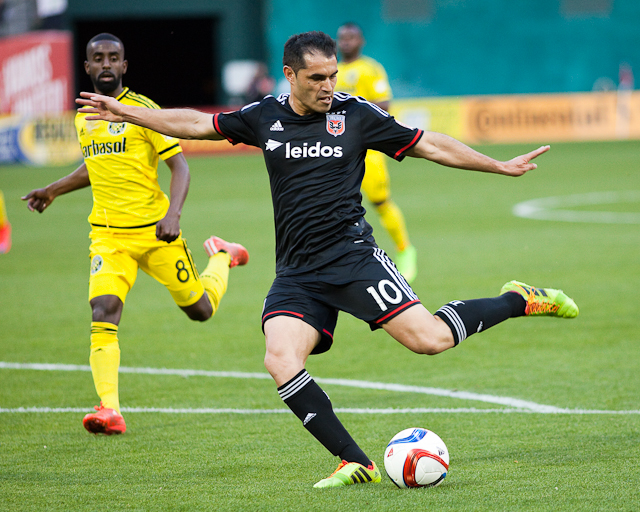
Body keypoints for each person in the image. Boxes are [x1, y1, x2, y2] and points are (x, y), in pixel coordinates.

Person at [76, 31, 579, 487]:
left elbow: (429, 145)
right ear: (290, 75)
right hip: (297, 272)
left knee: (430, 340)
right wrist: (128, 112)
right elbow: (193, 123)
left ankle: (518, 299)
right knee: (279, 359)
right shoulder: (264, 116)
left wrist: (497, 165)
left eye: (333, 75)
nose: (328, 86)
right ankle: (354, 461)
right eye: (317, 78)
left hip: (353, 258)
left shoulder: (356, 115)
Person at [22, 33, 249, 436]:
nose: (106, 64)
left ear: (124, 66)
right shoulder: (83, 117)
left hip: (156, 234)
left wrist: (173, 214)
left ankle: (222, 255)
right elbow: (95, 167)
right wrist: (53, 190)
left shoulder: (142, 111)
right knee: (103, 310)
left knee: (200, 310)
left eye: (114, 57)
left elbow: (180, 166)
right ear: (87, 66)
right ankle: (109, 409)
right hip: (108, 237)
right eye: (98, 58)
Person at [336, 22, 417, 283]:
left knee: (380, 201)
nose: (346, 42)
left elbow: (384, 104)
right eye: (342, 38)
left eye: (351, 37)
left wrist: (351, 115)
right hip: (337, 150)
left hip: (368, 149)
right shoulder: (332, 71)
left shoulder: (370, 69)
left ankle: (405, 249)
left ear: (361, 41)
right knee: (335, 205)